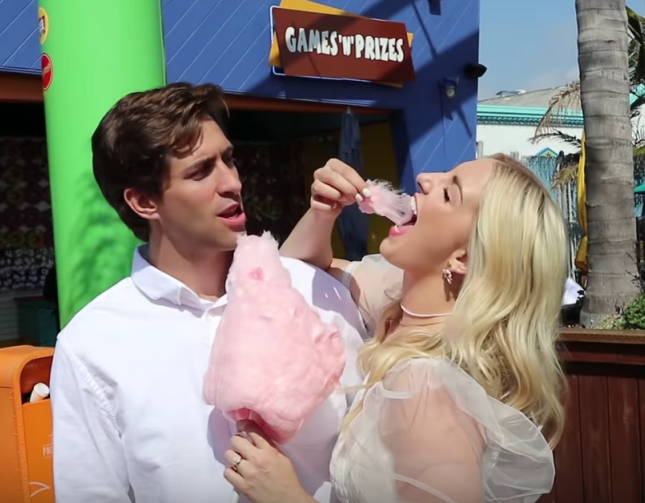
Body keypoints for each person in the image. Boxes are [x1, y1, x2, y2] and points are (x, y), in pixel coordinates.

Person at [49, 83, 367, 503]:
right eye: (202, 171)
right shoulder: (92, 344)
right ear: (144, 202)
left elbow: (372, 458)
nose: (232, 182)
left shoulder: (315, 292)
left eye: (229, 159)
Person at [224, 155, 565, 503]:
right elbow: (302, 273)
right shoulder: (395, 302)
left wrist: (286, 495)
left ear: (461, 258)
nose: (424, 178)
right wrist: (323, 212)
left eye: (449, 193)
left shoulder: (426, 390)